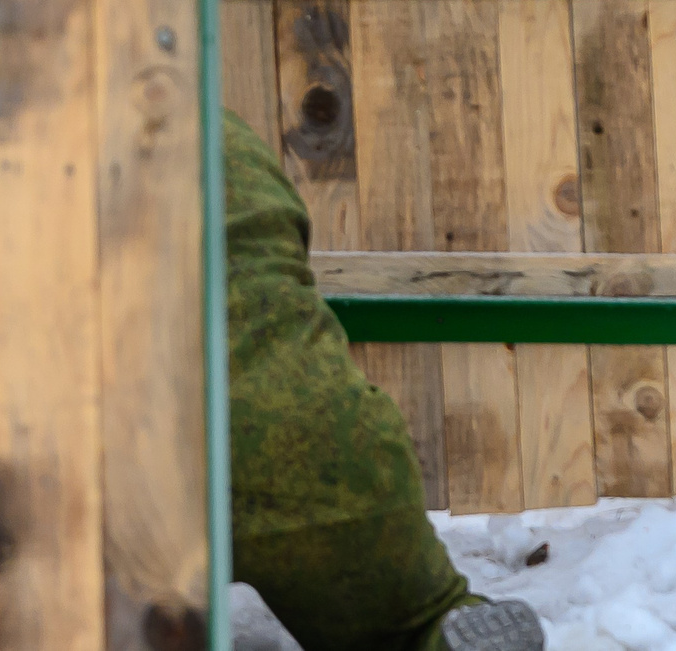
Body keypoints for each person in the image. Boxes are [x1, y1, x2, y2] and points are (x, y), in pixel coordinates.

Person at [223, 116, 547, 651]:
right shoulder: (220, 136)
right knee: (415, 626)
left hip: (132, 474)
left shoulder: (49, 128)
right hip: (330, 451)